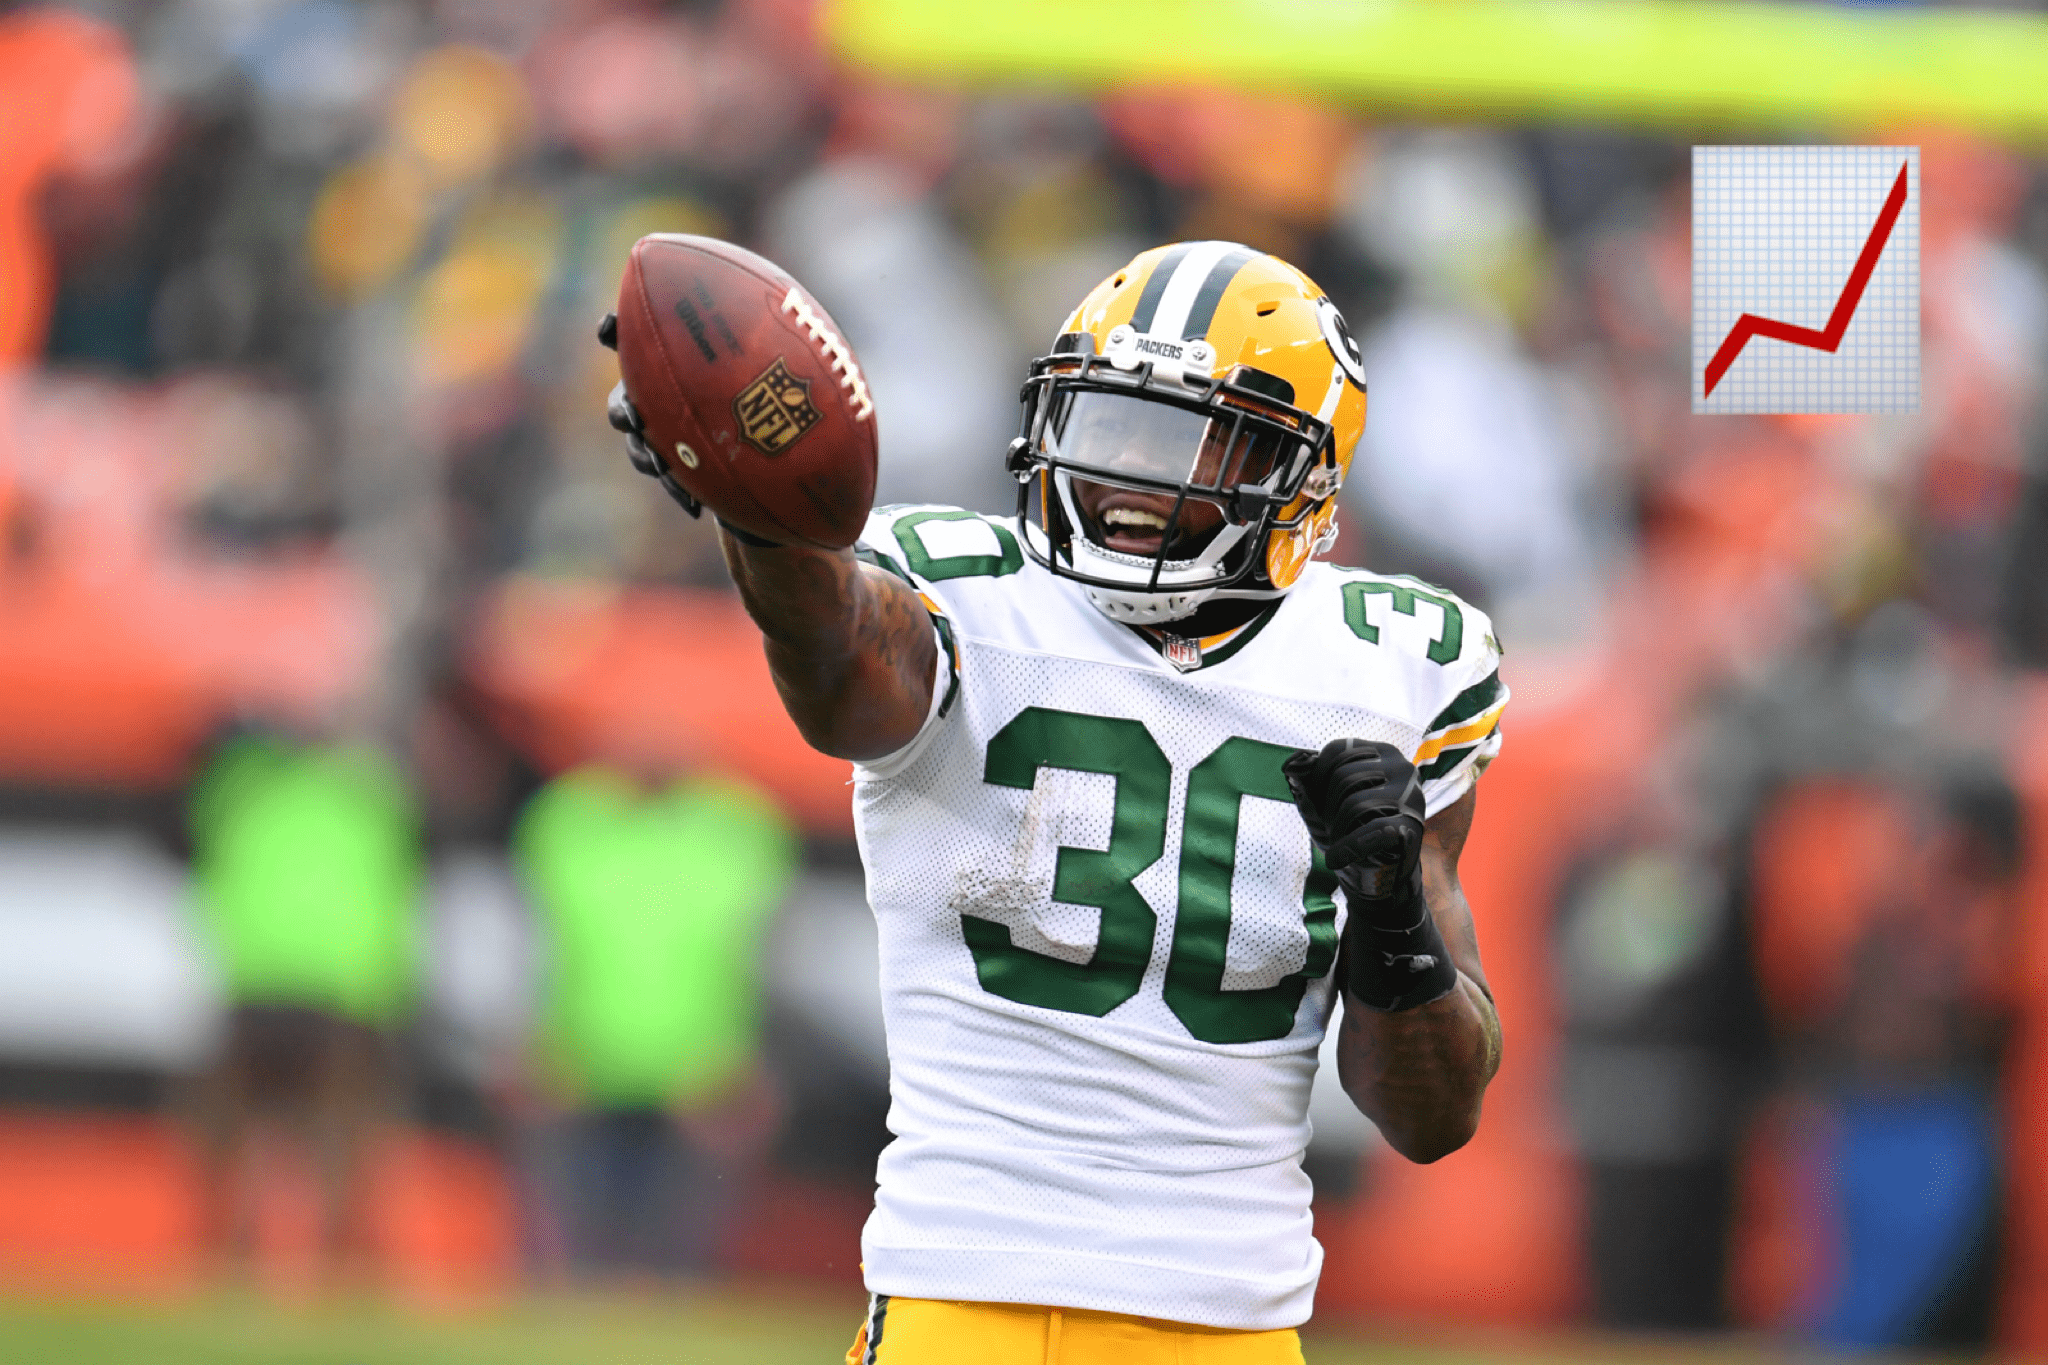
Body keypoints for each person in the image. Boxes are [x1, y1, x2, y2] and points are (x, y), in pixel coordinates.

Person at [609, 241, 1508, 1362]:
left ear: (1298, 472)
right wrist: (760, 513)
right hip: (963, 1295)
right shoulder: (963, 592)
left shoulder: (1400, 666)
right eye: (1107, 422)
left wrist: (1390, 914)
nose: (1123, 471)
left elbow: (1432, 1115)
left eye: (1179, 438)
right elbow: (835, 663)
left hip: (1231, 1317)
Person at [512, 764, 795, 1278]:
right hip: (583, 1060)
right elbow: (541, 946)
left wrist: (753, 1055)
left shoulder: (736, 829)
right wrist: (532, 1041)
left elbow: (761, 956)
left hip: (700, 1070)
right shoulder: (568, 822)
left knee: (680, 1251)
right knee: (577, 1243)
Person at [187, 731, 421, 1285]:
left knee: (240, 1141)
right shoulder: (371, 795)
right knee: (341, 1142)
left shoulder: (241, 792)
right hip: (343, 990)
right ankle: (339, 1271)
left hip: (261, 984)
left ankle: (233, 1270)